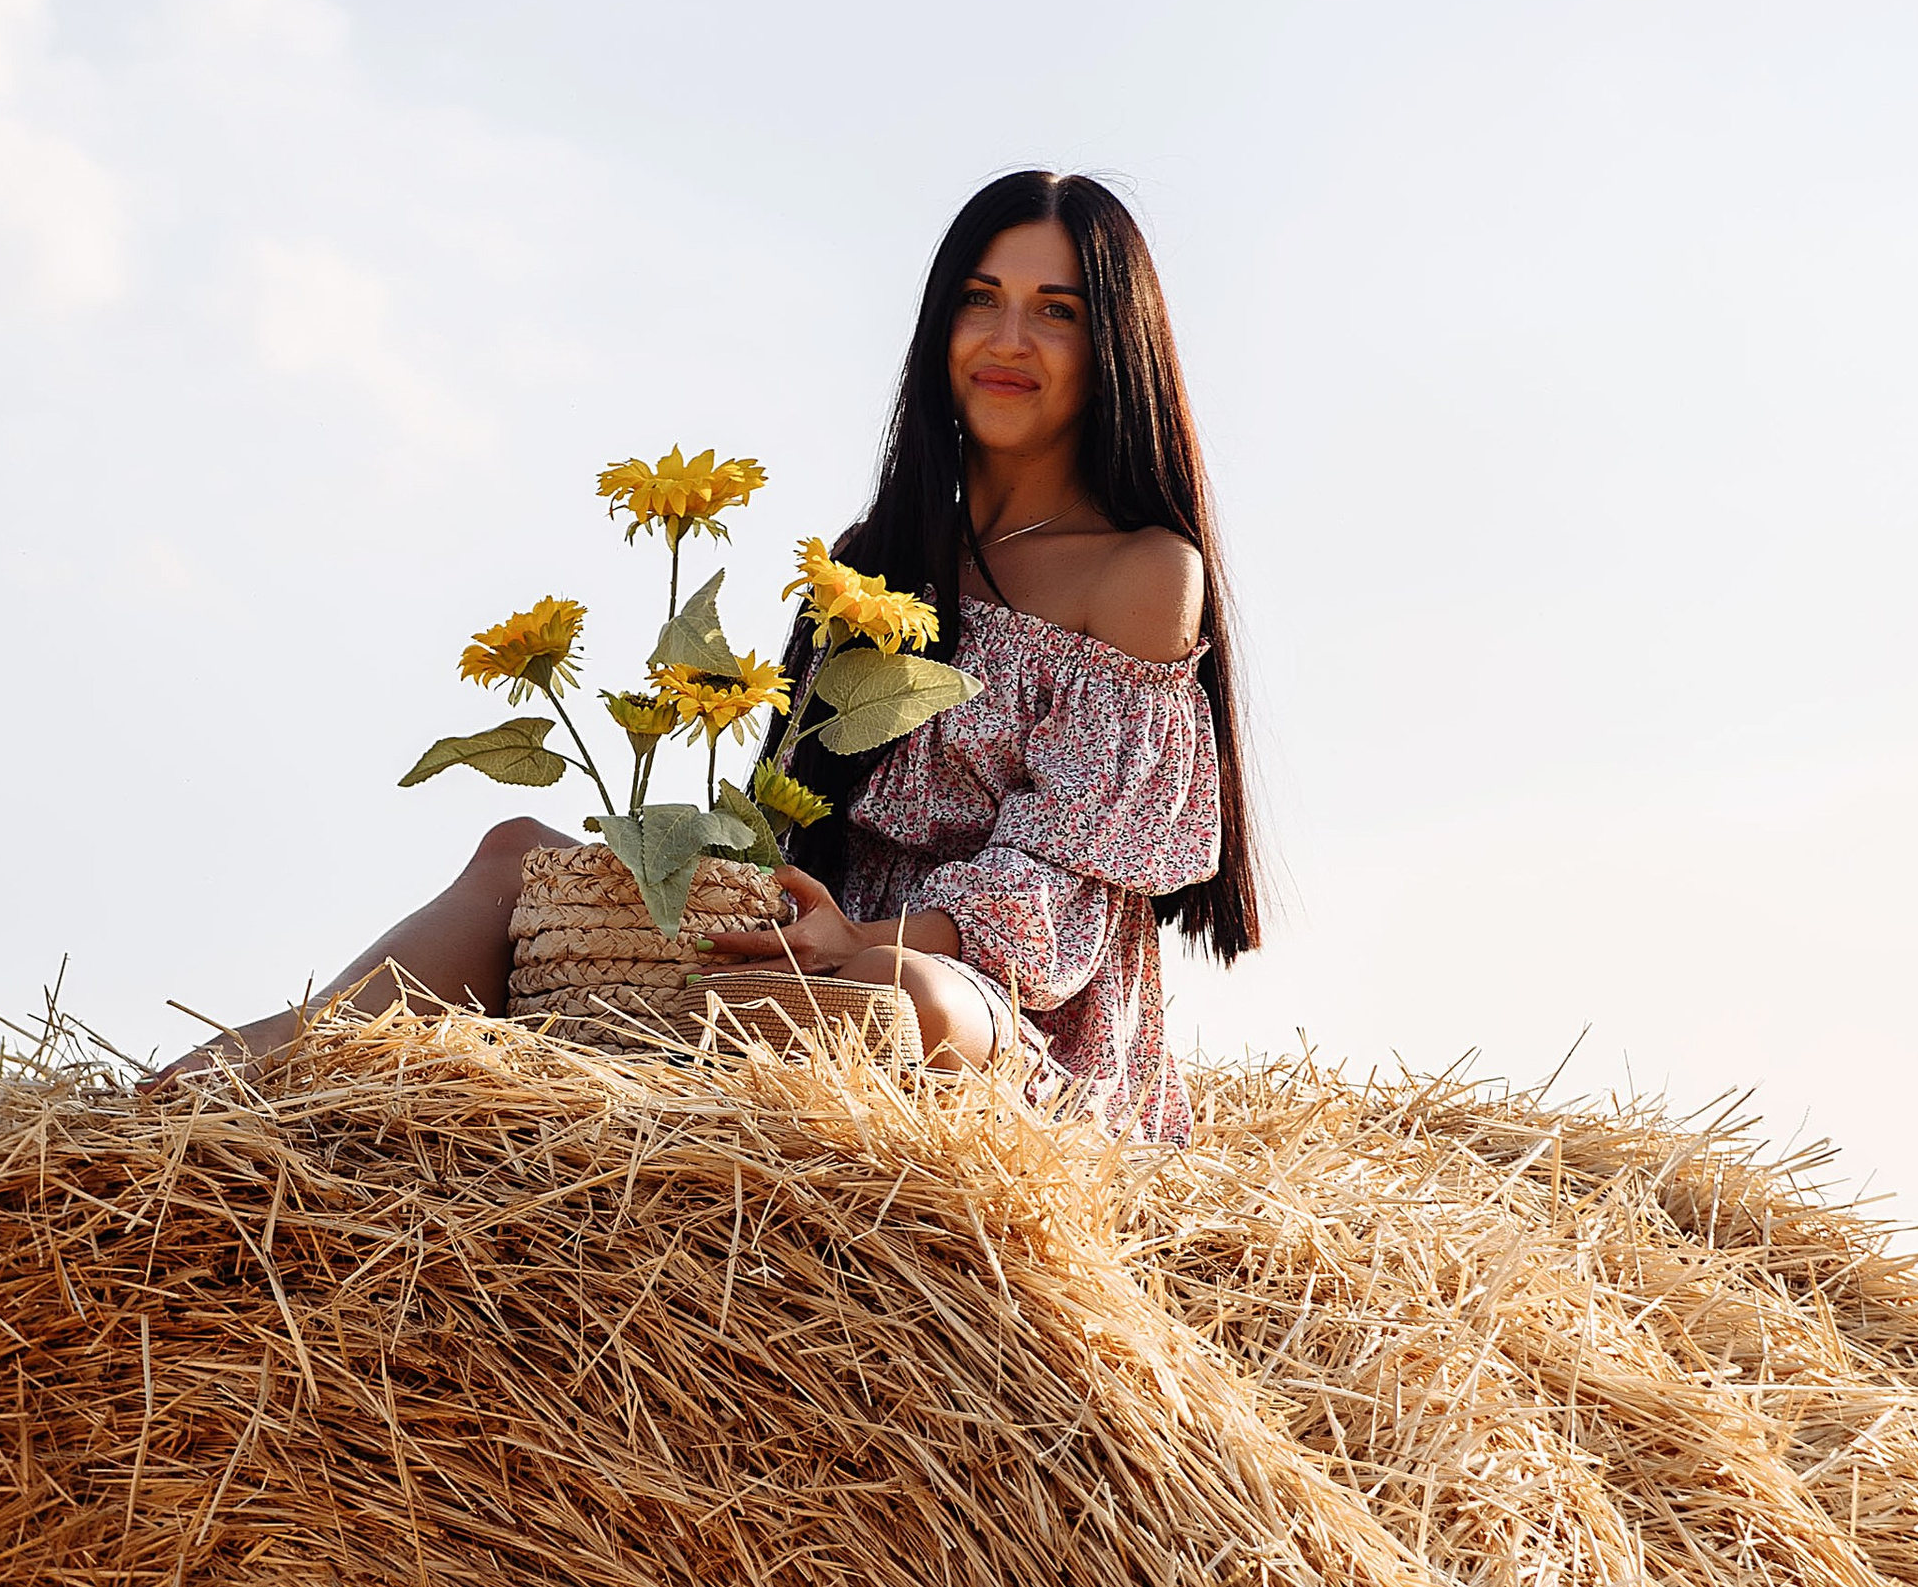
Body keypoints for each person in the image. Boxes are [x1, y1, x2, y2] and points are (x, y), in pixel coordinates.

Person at [161, 168, 1259, 1138]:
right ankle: (227, 1093)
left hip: (1006, 1005)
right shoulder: (869, 563)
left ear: (1111, 345)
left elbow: (1061, 893)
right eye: (981, 300)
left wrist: (855, 938)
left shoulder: (1142, 571)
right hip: (807, 935)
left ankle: (568, 1091)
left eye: (1054, 312)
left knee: (896, 995)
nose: (1006, 339)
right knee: (519, 852)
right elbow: (785, 804)